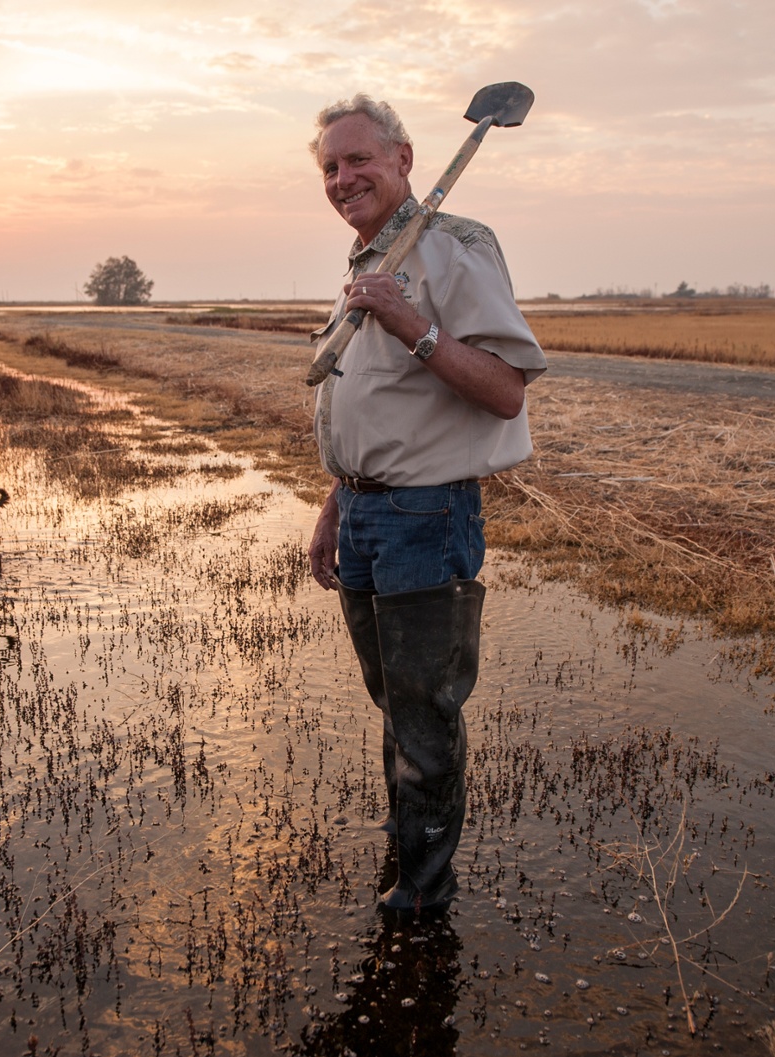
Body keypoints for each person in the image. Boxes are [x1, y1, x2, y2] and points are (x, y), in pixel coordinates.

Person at [306, 93, 546, 914]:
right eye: (330, 167)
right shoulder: (365, 263)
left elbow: (508, 392)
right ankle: (408, 854)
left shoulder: (455, 248)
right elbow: (369, 405)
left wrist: (414, 324)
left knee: (426, 716)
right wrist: (337, 501)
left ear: (405, 159)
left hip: (426, 516)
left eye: (358, 159)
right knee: (396, 703)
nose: (343, 177)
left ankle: (424, 897)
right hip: (368, 515)